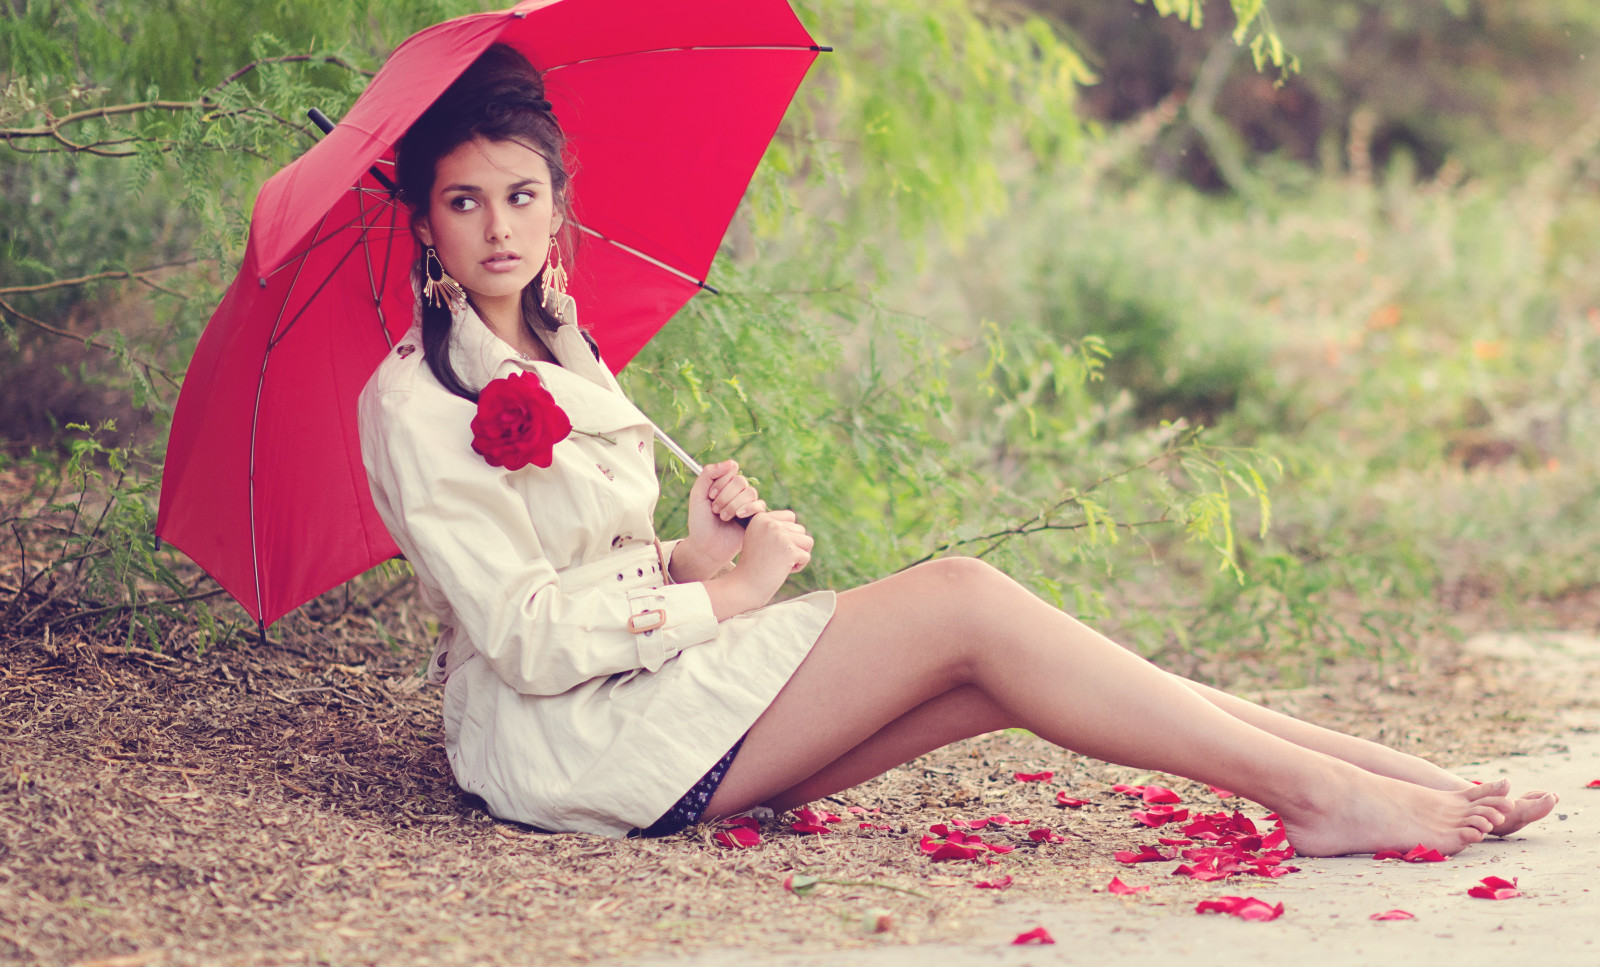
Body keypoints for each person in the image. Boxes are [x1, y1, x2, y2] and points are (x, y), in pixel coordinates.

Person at [359, 45, 1557, 849]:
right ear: (424, 219)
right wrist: (728, 597)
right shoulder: (417, 401)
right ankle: (1322, 796)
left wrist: (685, 554)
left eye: (520, 195)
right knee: (965, 602)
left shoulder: (564, 340)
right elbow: (520, 636)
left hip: (646, 694)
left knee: (1009, 673)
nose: (497, 227)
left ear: (560, 203)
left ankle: (1385, 776)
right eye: (464, 201)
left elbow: (594, 562)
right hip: (573, 746)